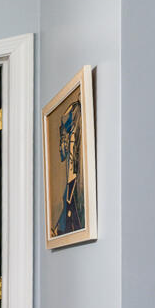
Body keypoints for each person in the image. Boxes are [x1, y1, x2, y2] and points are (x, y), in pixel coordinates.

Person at [53, 99, 84, 237]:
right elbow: (63, 155)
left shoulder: (76, 116)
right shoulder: (71, 117)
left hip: (75, 178)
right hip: (71, 179)